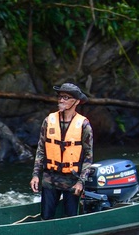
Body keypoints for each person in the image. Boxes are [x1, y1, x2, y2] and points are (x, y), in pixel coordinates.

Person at [30, 81, 94, 220]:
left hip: (72, 179)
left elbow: (88, 157)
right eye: (60, 97)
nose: (61, 100)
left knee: (70, 218)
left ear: (76, 101)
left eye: (66, 97)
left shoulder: (84, 125)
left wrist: (81, 182)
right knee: (46, 217)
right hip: (50, 178)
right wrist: (36, 175)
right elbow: (41, 149)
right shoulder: (49, 120)